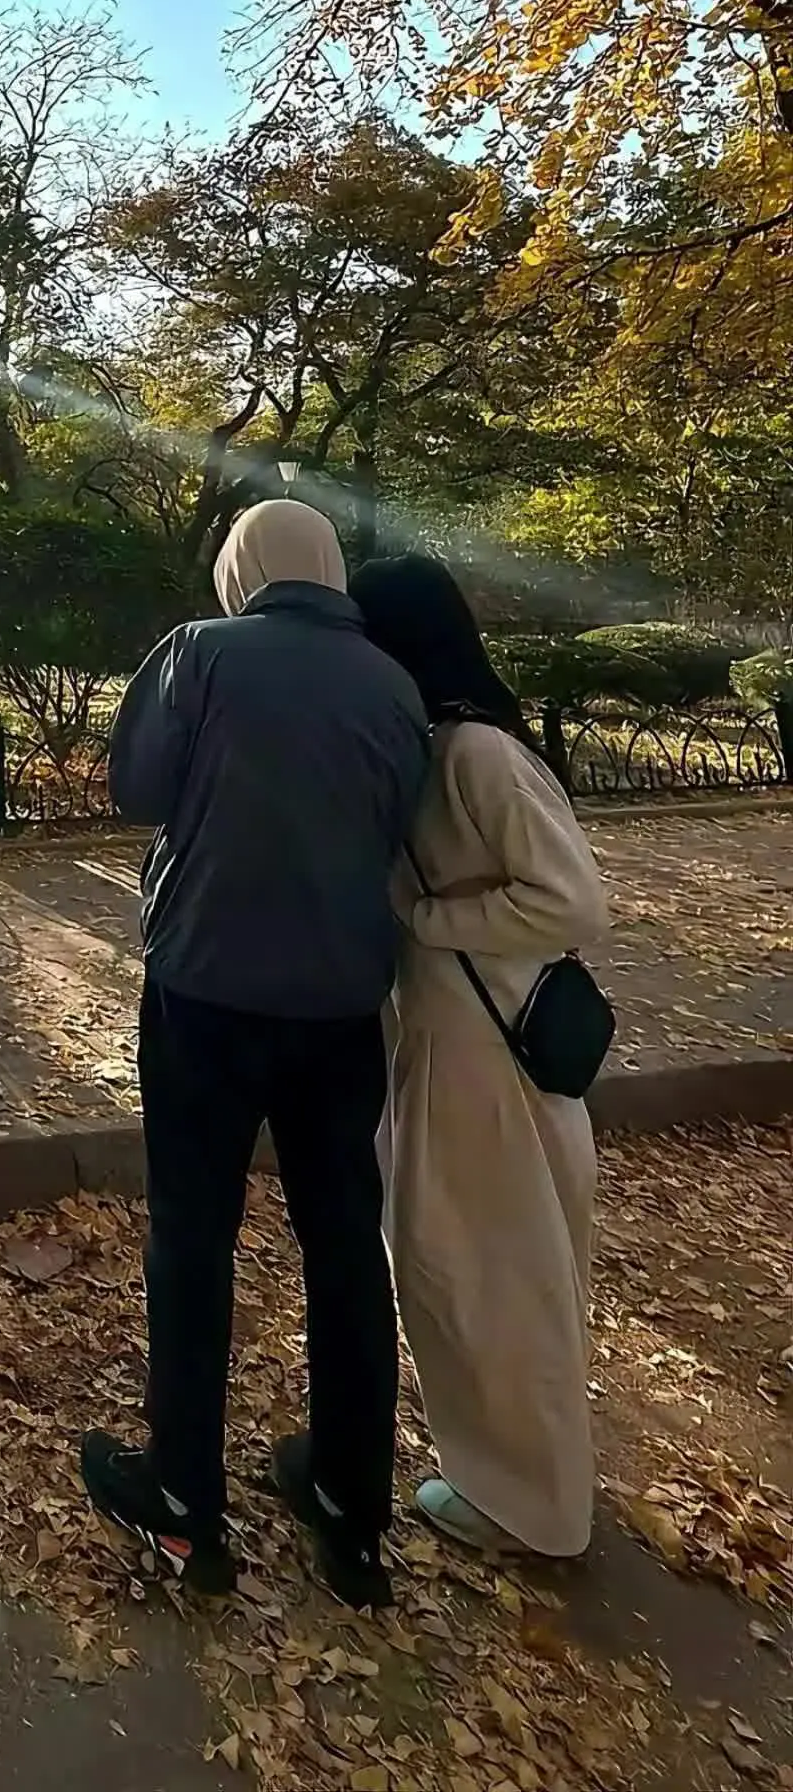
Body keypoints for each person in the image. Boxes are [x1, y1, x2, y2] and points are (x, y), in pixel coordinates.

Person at [79, 498, 428, 1610]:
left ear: (243, 568)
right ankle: (350, 1504)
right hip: (340, 1005)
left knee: (195, 1240)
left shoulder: (201, 653)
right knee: (342, 1245)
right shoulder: (391, 682)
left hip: (207, 992)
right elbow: (399, 819)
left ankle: (184, 1498)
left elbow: (135, 787)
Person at [353, 555, 610, 1561]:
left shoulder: (476, 757)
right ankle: (513, 1478)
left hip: (493, 1052)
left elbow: (574, 901)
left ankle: (530, 1509)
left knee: (500, 1276)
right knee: (469, 1268)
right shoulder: (432, 748)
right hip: (454, 1045)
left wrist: (427, 915)